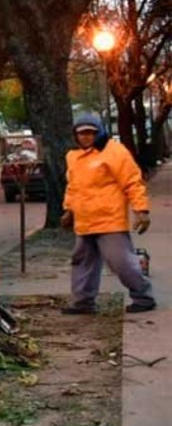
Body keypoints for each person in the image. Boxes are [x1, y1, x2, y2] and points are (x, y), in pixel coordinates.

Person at [61, 113, 155, 314]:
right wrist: (69, 210)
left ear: (99, 132)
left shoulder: (114, 152)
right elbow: (73, 187)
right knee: (82, 263)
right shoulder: (73, 157)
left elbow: (133, 182)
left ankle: (143, 297)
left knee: (121, 262)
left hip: (109, 220)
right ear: (75, 135)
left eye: (90, 132)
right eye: (81, 133)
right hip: (84, 221)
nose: (86, 137)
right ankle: (83, 302)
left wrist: (141, 210)